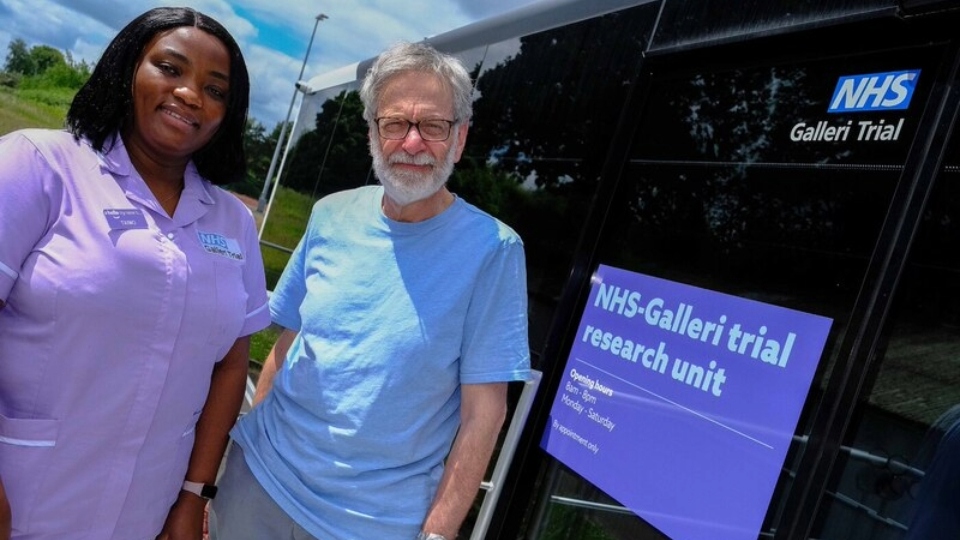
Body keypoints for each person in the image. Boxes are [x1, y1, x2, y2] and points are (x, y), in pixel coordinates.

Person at [209, 41, 531, 540]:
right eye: (395, 123)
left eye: (434, 126)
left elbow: (483, 414)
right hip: (259, 485)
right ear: (372, 133)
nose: (412, 143)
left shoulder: (495, 251)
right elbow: (288, 343)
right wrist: (250, 445)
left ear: (460, 138)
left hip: (372, 525)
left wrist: (439, 533)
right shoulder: (329, 214)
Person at [0, 7, 270, 540]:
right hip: (25, 495)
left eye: (216, 90)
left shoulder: (233, 223)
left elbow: (231, 363)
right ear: (127, 71)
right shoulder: (38, 166)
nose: (191, 94)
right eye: (170, 69)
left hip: (145, 511)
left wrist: (195, 496)